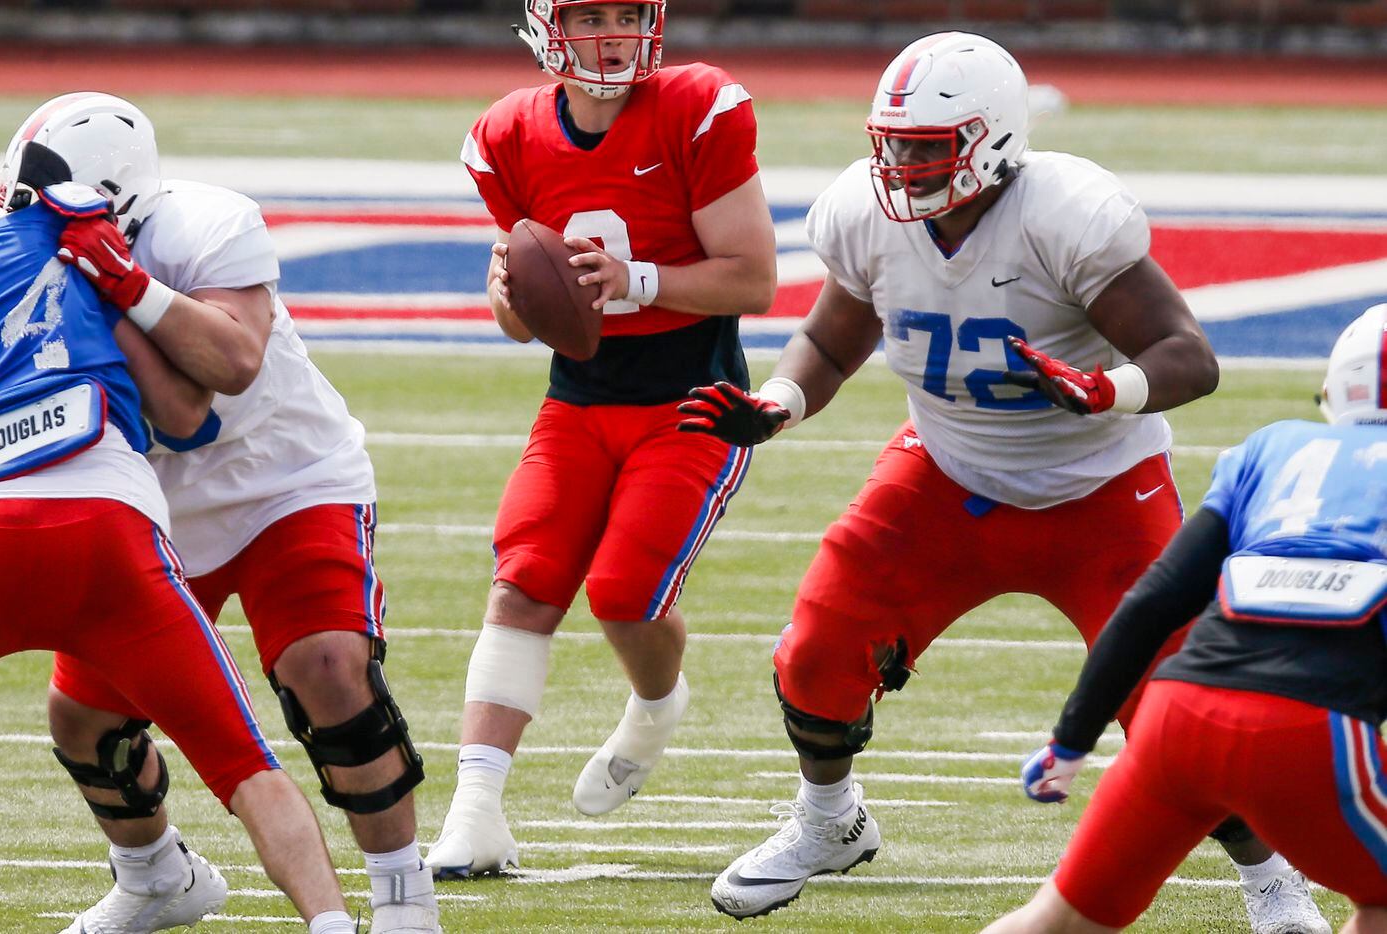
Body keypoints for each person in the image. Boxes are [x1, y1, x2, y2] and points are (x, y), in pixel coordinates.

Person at [686, 32, 1326, 932]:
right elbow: (832, 342)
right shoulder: (865, 215)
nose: (900, 166)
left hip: (1102, 490)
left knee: (1177, 706)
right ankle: (830, 825)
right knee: (818, 650)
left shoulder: (1062, 214)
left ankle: (1270, 877)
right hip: (948, 477)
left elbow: (1189, 356)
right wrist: (780, 401)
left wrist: (1108, 389)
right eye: (892, 143)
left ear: (991, 141)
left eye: (924, 146)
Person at [0, 100, 358, 934]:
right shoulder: (64, 234)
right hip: (115, 540)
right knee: (244, 763)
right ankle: (331, 922)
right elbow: (188, 417)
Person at [0, 93, 438, 933]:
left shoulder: (208, 224)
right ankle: (157, 877)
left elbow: (229, 366)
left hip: (285, 480)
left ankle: (402, 893)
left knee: (331, 670)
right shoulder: (19, 256)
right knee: (84, 719)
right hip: (149, 508)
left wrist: (120, 281)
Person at [427, 0, 777, 878]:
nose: (614, 33)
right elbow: (515, 320)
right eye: (591, 15)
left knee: (624, 593)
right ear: (549, 26)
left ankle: (656, 707)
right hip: (578, 400)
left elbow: (757, 277)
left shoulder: (697, 106)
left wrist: (638, 278)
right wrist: (513, 292)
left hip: (690, 399)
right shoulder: (508, 134)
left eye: (629, 13)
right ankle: (476, 813)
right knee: (525, 581)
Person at [983, 305, 1387, 934]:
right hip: (1309, 730)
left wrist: (1072, 740)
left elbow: (1153, 602)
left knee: (1057, 919)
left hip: (1179, 716)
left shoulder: (1273, 448)